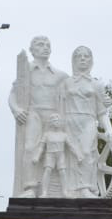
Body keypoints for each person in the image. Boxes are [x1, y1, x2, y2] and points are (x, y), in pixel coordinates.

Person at [10, 35, 69, 196]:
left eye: (47, 45)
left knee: (55, 152)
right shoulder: (25, 72)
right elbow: (13, 94)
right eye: (41, 45)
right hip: (33, 113)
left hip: (53, 116)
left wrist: (101, 98)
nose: (45, 48)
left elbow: (77, 89)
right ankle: (30, 188)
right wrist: (16, 109)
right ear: (32, 50)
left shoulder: (60, 75)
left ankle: (56, 189)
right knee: (30, 148)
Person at [60, 45, 112, 196]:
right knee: (72, 155)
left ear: (91, 60)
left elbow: (102, 112)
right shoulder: (66, 83)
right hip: (70, 121)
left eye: (86, 56)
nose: (83, 59)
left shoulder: (96, 84)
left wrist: (110, 130)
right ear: (73, 60)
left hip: (88, 121)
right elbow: (59, 106)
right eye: (79, 56)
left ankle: (85, 187)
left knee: (86, 152)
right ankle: (71, 190)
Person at [32, 113, 81, 196]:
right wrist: (37, 156)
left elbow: (71, 146)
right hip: (50, 155)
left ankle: (65, 192)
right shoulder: (47, 134)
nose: (56, 122)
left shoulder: (64, 135)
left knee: (63, 172)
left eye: (58, 120)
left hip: (60, 155)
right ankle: (44, 192)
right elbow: (41, 147)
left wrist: (78, 155)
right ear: (51, 122)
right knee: (47, 170)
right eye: (54, 120)